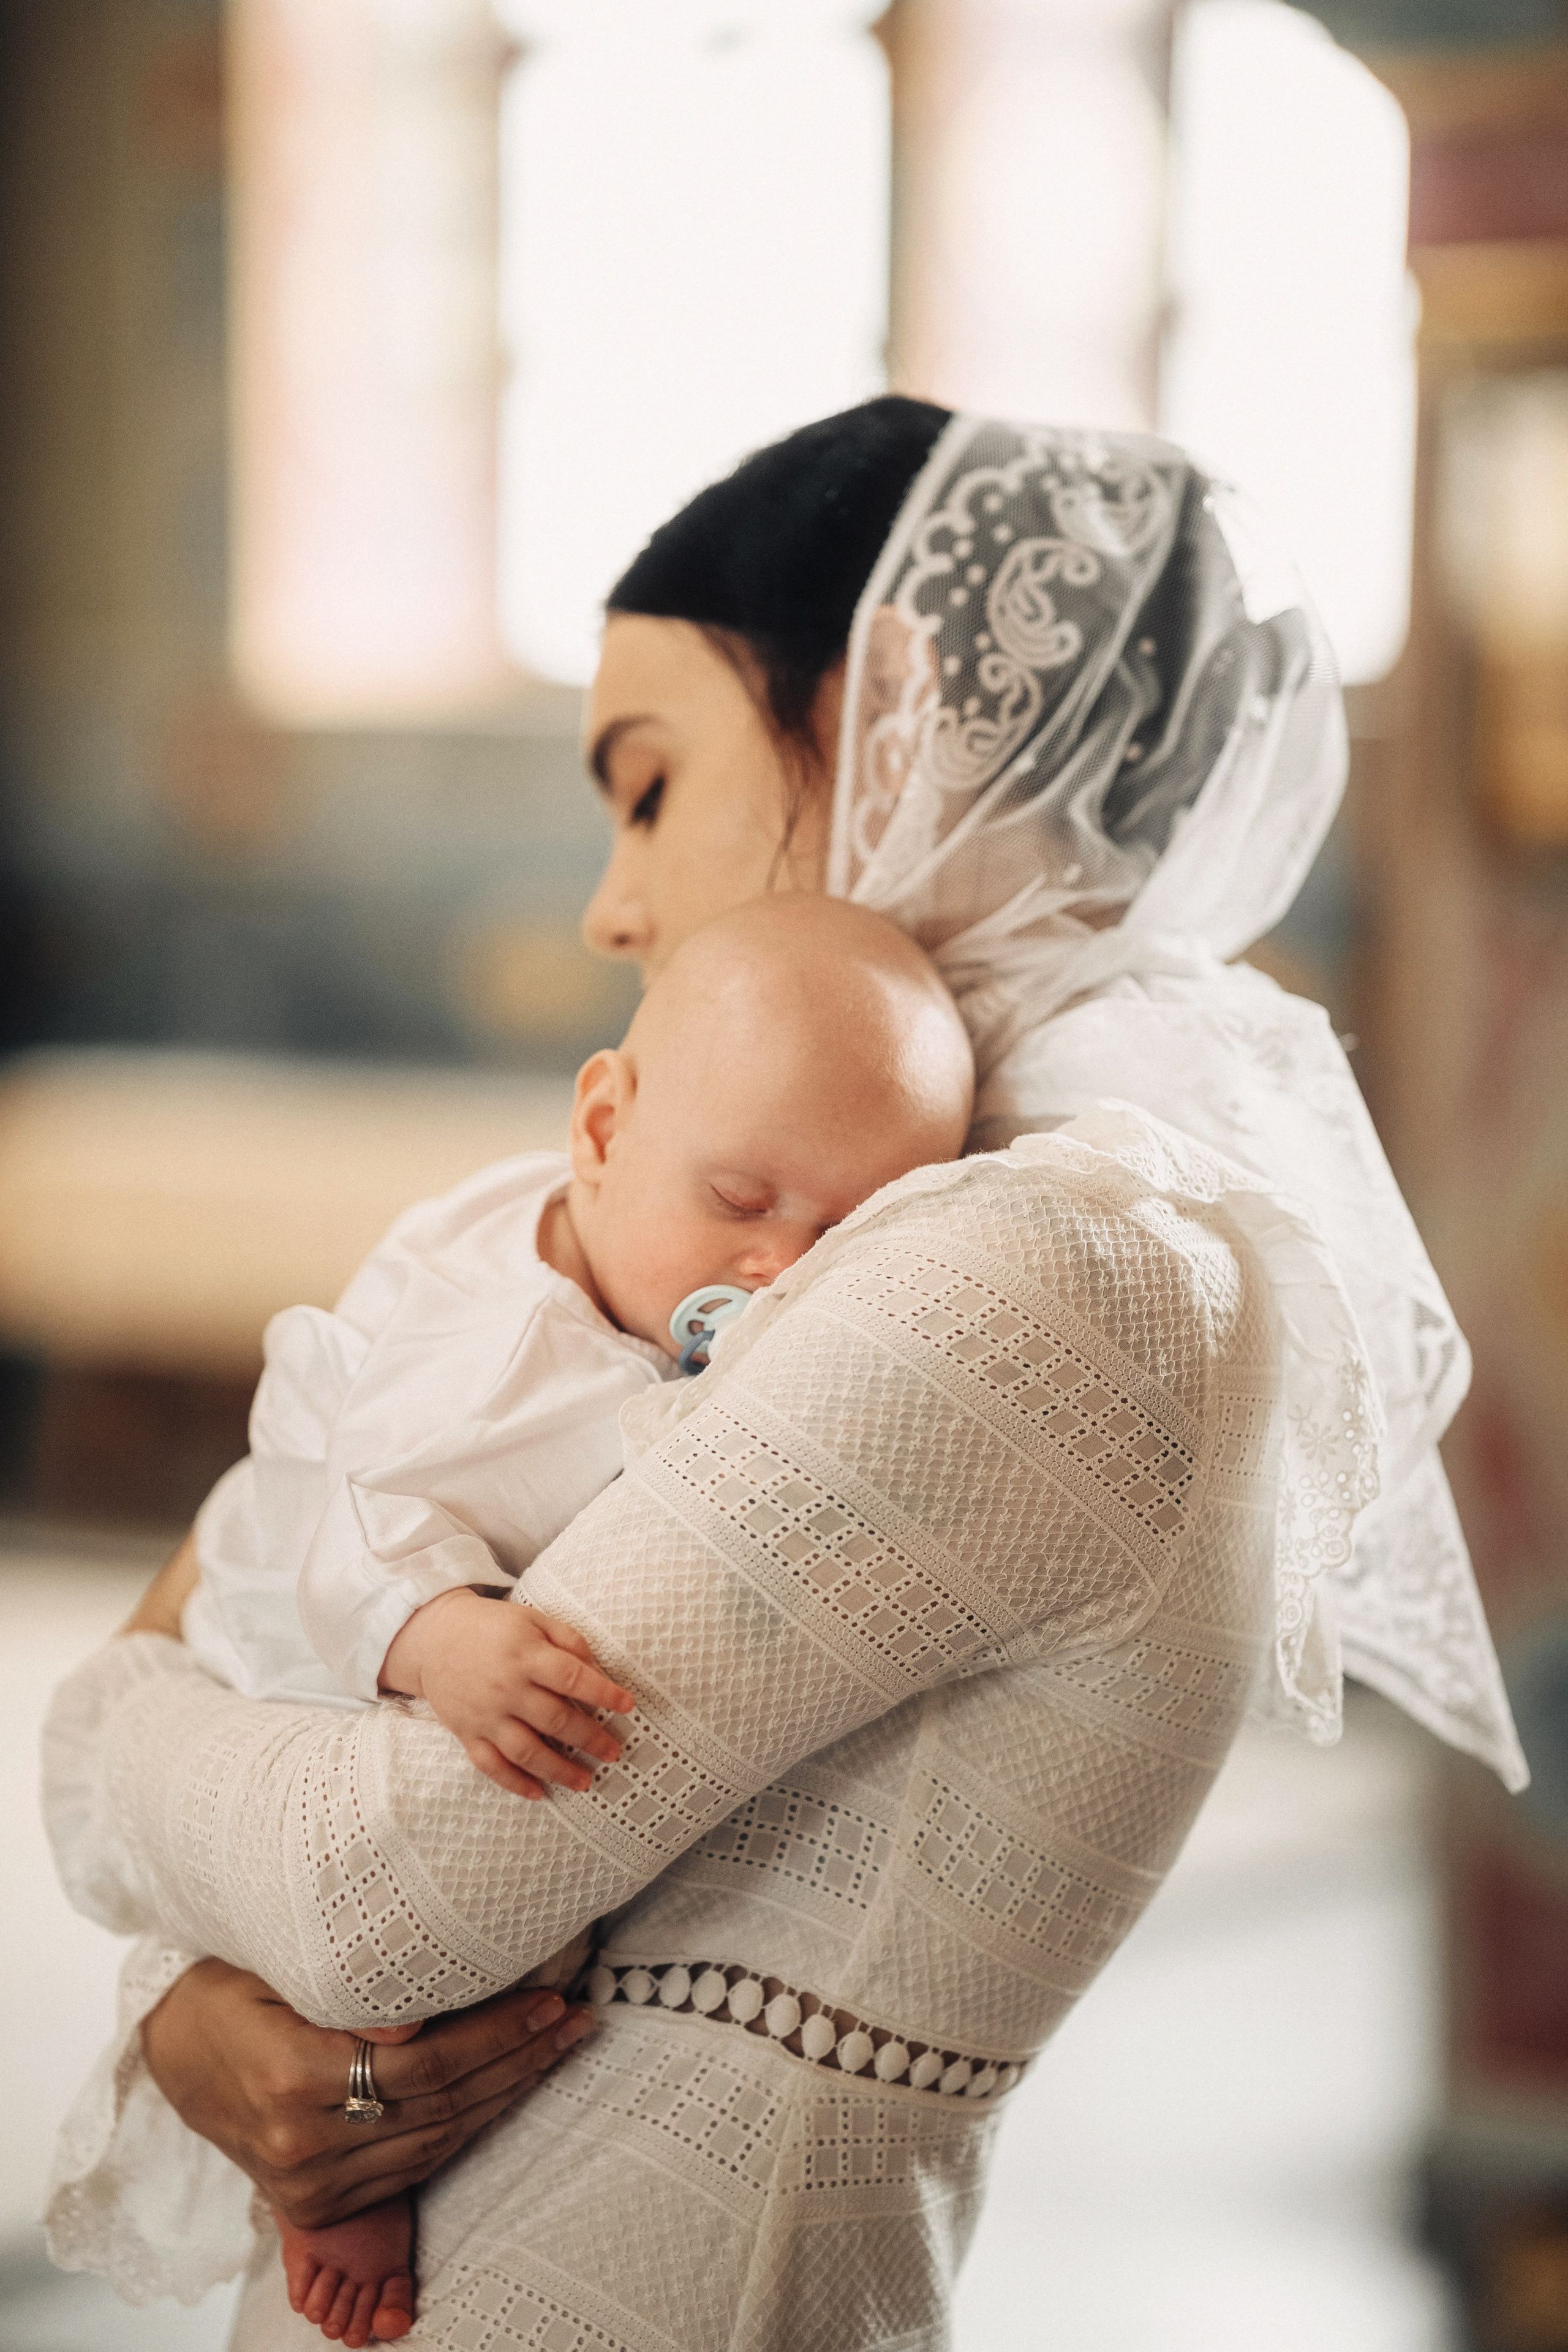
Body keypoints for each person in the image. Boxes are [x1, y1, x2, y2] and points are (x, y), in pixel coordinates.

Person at [42, 399, 1526, 2352]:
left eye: (648, 786)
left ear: (893, 705)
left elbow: (372, 1889)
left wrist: (90, 1743)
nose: (611, 901)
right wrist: (196, 2008)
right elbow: (295, 1551)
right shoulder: (903, 1206)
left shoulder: (1057, 1260)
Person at [167, 895, 972, 2345]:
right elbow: (350, 1511)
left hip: (477, 1639)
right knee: (405, 1911)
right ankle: (338, 2180)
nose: (774, 1274)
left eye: (843, 1235)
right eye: (737, 1203)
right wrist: (437, 1630)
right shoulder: (493, 1339)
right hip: (336, 1639)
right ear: (600, 1130)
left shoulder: (685, 1293)